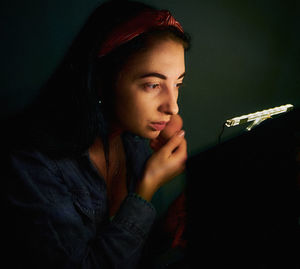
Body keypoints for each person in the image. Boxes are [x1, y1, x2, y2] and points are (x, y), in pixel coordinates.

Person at [2, 0, 191, 268]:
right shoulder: (32, 165)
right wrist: (145, 190)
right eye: (152, 85)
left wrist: (165, 231)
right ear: (102, 79)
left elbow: (124, 255)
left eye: (178, 84)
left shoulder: (132, 142)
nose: (173, 106)